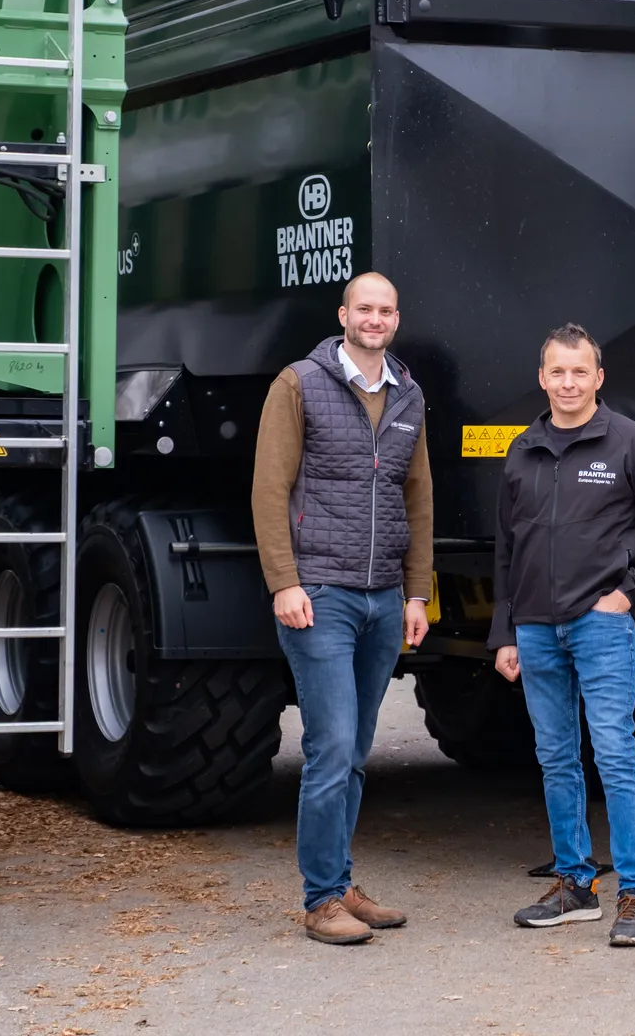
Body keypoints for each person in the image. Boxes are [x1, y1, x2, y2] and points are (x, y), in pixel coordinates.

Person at [490, 323, 635, 947]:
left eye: (580, 371)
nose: (569, 383)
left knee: (614, 755)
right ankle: (575, 884)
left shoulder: (630, 442)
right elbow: (507, 550)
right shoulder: (523, 449)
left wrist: (626, 595)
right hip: (534, 628)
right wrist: (505, 633)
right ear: (542, 377)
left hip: (600, 625)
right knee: (555, 758)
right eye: (558, 371)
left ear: (598, 378)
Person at [252, 271, 433, 945]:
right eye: (365, 309)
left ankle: (341, 881)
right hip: (319, 593)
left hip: (383, 598)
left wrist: (417, 593)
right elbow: (269, 488)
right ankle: (322, 899)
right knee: (330, 746)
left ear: (396, 319)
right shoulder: (299, 384)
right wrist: (284, 581)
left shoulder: (409, 392)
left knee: (355, 750)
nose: (375, 319)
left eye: (386, 310)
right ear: (343, 315)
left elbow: (419, 496)